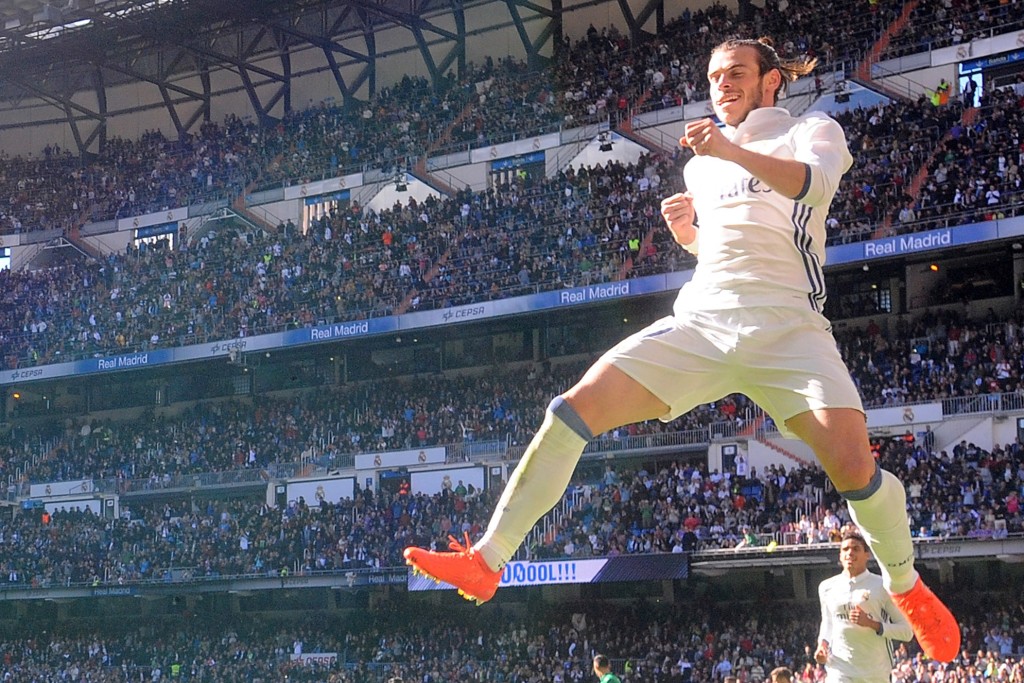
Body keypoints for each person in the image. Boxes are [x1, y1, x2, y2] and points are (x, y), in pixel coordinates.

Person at [403, 36, 960, 662]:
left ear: (771, 81)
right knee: (570, 410)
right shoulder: (701, 165)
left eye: (737, 74)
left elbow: (812, 188)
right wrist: (692, 236)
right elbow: (735, 249)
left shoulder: (811, 130)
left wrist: (729, 149)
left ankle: (906, 585)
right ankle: (487, 559)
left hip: (788, 329)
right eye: (715, 76)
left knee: (855, 471)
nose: (722, 84)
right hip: (702, 323)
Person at [816, 528, 913, 683]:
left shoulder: (882, 585)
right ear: (840, 555)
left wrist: (871, 624)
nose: (850, 553)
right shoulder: (826, 587)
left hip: (874, 671)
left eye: (856, 549)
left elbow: (906, 631)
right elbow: (828, 622)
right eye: (845, 549)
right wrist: (822, 645)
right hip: (839, 668)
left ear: (867, 555)